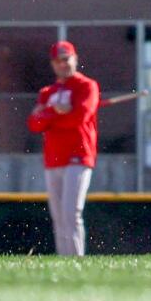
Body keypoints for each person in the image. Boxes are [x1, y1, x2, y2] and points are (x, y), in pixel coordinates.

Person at [28, 40, 100, 256]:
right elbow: (33, 124)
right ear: (53, 64)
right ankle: (64, 260)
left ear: (75, 59)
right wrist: (55, 112)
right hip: (53, 158)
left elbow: (79, 117)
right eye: (59, 61)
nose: (63, 64)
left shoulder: (87, 86)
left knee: (71, 212)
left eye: (67, 59)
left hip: (78, 155)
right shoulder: (47, 92)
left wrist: (49, 115)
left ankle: (76, 259)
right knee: (59, 216)